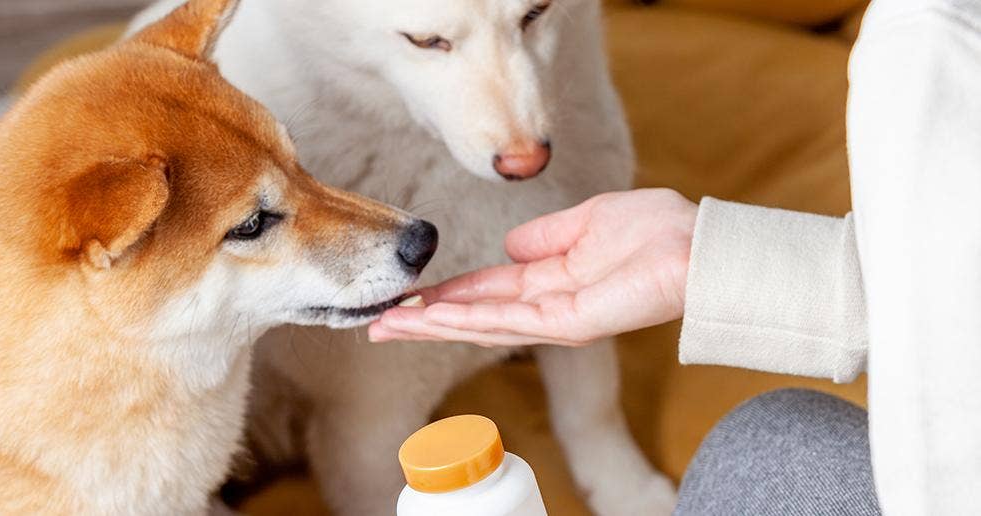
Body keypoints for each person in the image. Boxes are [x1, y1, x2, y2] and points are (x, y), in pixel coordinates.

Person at [369, 0, 981, 513]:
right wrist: (710, 261)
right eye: (429, 38)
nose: (524, 145)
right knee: (761, 452)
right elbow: (949, 280)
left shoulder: (936, 51)